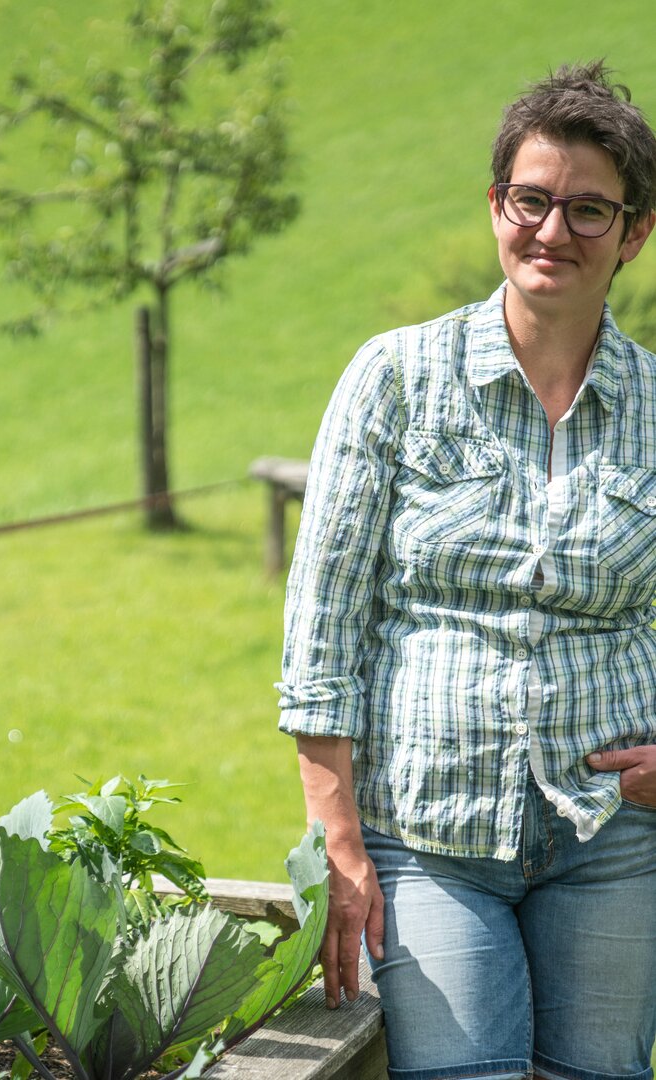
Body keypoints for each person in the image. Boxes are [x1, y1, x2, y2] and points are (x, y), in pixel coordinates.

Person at [277, 61, 656, 1080]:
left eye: (587, 210)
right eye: (530, 200)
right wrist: (339, 846)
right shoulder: (394, 378)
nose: (551, 231)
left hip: (610, 840)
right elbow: (322, 631)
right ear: (495, 206)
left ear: (632, 233)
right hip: (424, 839)